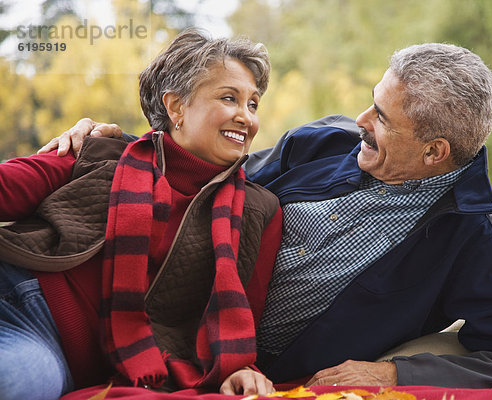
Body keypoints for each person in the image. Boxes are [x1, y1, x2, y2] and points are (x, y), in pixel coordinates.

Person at [40, 43, 492, 389]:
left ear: (433, 152)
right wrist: (113, 144)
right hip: (163, 320)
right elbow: (204, 177)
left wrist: (391, 373)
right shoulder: (322, 142)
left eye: (381, 117)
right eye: (371, 102)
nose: (360, 121)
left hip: (248, 373)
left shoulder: (484, 239)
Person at [0, 28, 283, 399]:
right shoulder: (102, 151)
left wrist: (242, 368)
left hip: (49, 346)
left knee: (21, 381)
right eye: (229, 98)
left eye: (253, 104)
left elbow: (242, 314)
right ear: (176, 107)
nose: (245, 117)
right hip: (13, 284)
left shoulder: (259, 211)